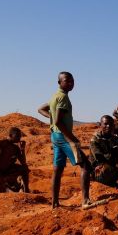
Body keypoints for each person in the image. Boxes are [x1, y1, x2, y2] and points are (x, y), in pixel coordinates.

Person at [37, 71, 92, 208]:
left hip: (55, 136)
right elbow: (59, 121)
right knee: (86, 165)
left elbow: (40, 109)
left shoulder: (55, 96)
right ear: (59, 82)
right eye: (67, 81)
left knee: (58, 169)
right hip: (62, 136)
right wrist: (72, 138)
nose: (70, 83)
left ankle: (54, 202)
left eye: (72, 81)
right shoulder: (62, 98)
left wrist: (51, 116)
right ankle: (85, 201)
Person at [0, 127, 30, 193]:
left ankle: (26, 190)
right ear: (10, 135)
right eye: (17, 136)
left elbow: (23, 162)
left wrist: (22, 149)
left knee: (24, 168)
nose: (19, 138)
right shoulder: (3, 143)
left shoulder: (16, 148)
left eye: (20, 136)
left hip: (8, 169)